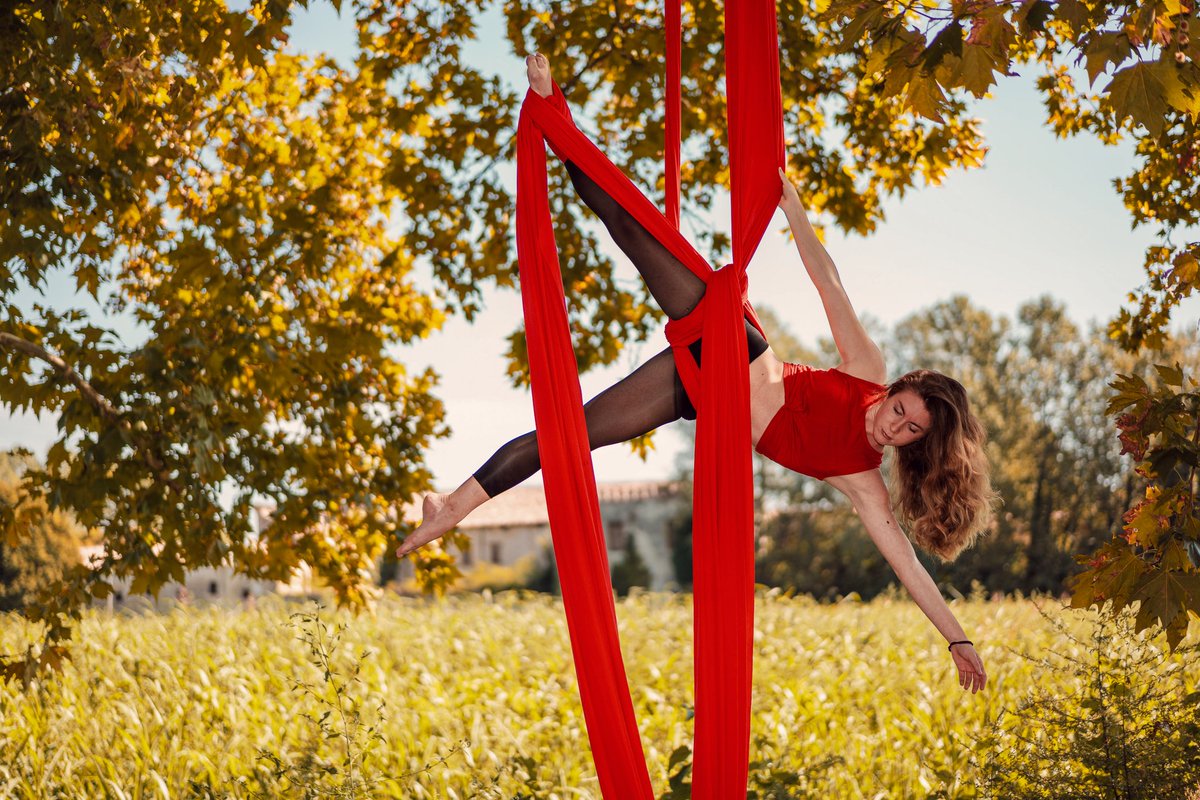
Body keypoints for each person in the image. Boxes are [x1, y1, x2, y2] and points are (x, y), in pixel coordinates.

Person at [397, 54, 993, 694]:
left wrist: (955, 634)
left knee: (569, 436)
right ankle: (553, 112)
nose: (894, 425)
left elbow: (907, 566)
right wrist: (793, 210)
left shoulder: (862, 483)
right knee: (629, 227)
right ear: (899, 388)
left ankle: (449, 506)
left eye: (909, 433)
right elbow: (830, 283)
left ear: (915, 449)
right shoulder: (868, 372)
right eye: (902, 409)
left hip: (699, 396)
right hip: (733, 345)